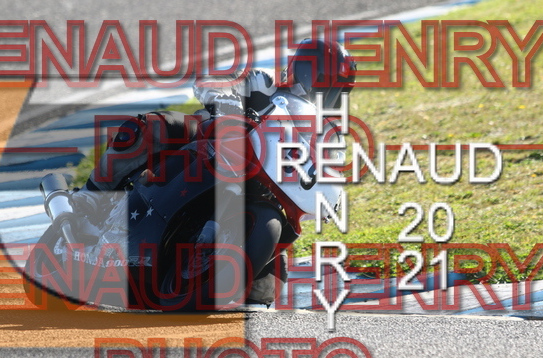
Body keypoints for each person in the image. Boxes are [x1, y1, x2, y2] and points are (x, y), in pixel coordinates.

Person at [72, 38, 356, 305]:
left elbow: (329, 170)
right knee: (150, 128)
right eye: (319, 78)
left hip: (263, 188)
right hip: (209, 144)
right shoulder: (264, 82)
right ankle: (90, 198)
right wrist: (227, 102)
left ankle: (193, 267)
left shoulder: (324, 133)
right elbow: (215, 77)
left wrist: (331, 192)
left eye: (335, 87)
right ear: (298, 69)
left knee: (267, 289)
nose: (323, 90)